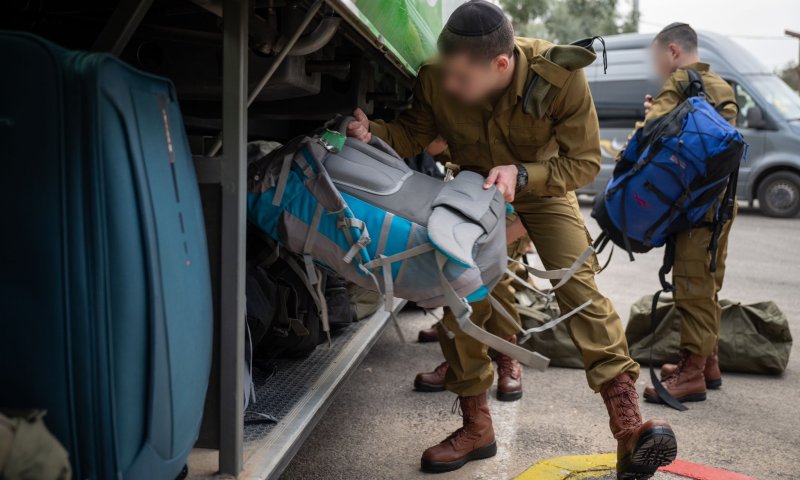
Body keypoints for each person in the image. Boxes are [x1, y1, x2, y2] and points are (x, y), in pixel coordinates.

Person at [346, 2, 676, 477]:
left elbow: (582, 163)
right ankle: (476, 425)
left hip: (542, 186)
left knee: (577, 287)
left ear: (501, 65)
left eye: (463, 79)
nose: (452, 87)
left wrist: (523, 175)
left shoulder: (559, 78)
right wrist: (370, 132)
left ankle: (628, 429)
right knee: (458, 288)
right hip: (472, 190)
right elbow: (413, 133)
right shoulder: (439, 76)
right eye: (449, 76)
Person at [634, 23, 737, 404]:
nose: (657, 65)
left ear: (673, 51)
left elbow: (650, 135)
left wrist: (646, 119)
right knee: (708, 284)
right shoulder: (723, 87)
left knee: (692, 287)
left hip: (695, 208)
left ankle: (691, 373)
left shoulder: (678, 82)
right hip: (723, 205)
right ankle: (708, 363)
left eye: (657, 56)